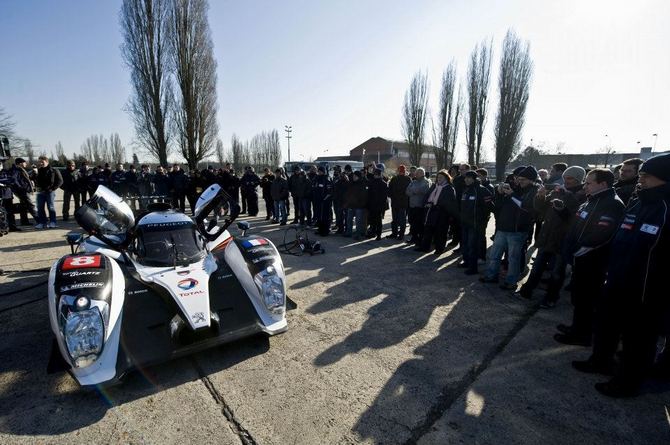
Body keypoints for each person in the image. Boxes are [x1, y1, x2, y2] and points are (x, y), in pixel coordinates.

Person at [572, 153, 670, 397]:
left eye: (647, 176)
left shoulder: (665, 209)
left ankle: (627, 383)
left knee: (638, 341)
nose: (641, 179)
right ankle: (600, 361)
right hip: (616, 280)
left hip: (646, 291)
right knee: (606, 325)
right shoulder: (638, 202)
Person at [554, 168, 625, 346]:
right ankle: (577, 327)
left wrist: (578, 249)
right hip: (580, 258)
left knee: (586, 299)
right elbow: (575, 223)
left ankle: (582, 335)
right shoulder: (591, 201)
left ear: (603, 184)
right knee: (579, 297)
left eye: (589, 183)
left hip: (592, 261)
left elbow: (602, 234)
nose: (585, 186)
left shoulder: (612, 204)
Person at [517, 166, 586, 304]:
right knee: (537, 267)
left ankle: (551, 298)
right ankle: (527, 291)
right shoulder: (558, 191)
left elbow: (574, 217)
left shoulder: (583, 195)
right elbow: (540, 207)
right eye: (565, 178)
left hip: (563, 239)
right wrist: (540, 196)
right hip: (547, 235)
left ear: (578, 179)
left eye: (570, 178)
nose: (566, 181)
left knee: (557, 272)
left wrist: (566, 196)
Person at [480, 166, 539, 290]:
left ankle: (511, 282)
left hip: (518, 231)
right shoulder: (515, 188)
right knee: (494, 255)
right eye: (518, 178)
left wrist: (511, 194)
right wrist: (500, 193)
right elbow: (499, 206)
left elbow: (526, 206)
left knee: (513, 258)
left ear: (531, 180)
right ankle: (491, 276)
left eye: (523, 179)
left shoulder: (534, 191)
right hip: (503, 228)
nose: (519, 181)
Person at [459, 171, 494, 275]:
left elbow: (489, 207)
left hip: (476, 224)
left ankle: (473, 268)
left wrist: (482, 220)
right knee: (465, 244)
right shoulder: (466, 190)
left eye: (469, 178)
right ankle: (466, 262)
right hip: (465, 223)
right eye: (466, 178)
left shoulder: (482, 190)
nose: (466, 180)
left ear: (474, 179)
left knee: (472, 246)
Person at [415, 169, 458, 254]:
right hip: (431, 212)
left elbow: (449, 202)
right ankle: (425, 247)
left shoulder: (449, 188)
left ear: (446, 178)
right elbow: (427, 196)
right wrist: (426, 203)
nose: (439, 179)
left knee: (441, 232)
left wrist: (435, 205)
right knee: (428, 230)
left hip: (442, 214)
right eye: (438, 177)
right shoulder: (434, 186)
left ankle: (439, 249)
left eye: (441, 177)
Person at [8, 158, 39, 226]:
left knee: (24, 206)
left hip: (22, 191)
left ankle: (24, 221)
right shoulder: (16, 170)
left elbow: (27, 178)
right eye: (24, 162)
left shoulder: (20, 169)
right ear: (20, 163)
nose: (26, 164)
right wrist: (22, 188)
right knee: (30, 205)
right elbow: (14, 180)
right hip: (22, 191)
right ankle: (39, 220)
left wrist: (34, 172)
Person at [35, 156, 63, 229]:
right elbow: (33, 179)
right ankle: (42, 222)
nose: (41, 163)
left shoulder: (54, 170)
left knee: (50, 207)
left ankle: (52, 222)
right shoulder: (38, 170)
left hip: (50, 192)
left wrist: (53, 189)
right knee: (40, 207)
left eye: (42, 161)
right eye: (39, 162)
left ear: (47, 162)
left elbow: (60, 181)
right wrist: (35, 173)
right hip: (40, 192)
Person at [405, 167, 431, 245]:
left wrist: (413, 190)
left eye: (418, 173)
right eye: (416, 173)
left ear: (422, 174)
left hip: (420, 207)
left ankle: (419, 240)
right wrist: (415, 191)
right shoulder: (413, 181)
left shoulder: (426, 181)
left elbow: (423, 190)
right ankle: (414, 238)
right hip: (412, 206)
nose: (415, 174)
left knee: (419, 224)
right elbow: (407, 191)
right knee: (412, 223)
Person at [387, 165, 411, 240]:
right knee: (401, 220)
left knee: (396, 219)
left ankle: (396, 234)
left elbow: (389, 190)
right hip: (402, 203)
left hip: (397, 202)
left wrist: (392, 196)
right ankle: (400, 235)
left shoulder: (394, 179)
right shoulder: (408, 179)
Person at [343, 170, 368, 240]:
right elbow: (348, 194)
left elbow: (364, 196)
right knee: (349, 220)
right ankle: (349, 232)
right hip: (351, 205)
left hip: (359, 206)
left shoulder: (362, 184)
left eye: (355, 176)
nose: (353, 177)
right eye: (353, 176)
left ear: (358, 177)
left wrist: (361, 204)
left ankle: (358, 234)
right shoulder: (351, 183)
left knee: (358, 221)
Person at [367, 168, 388, 240]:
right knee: (374, 221)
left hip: (377, 205)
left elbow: (384, 197)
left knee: (377, 221)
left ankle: (377, 234)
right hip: (374, 205)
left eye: (375, 174)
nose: (374, 175)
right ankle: (374, 233)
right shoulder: (373, 182)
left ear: (378, 175)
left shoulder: (382, 184)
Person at [312, 166, 333, 235]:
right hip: (318, 201)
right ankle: (320, 229)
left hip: (325, 201)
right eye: (318, 171)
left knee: (325, 216)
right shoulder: (317, 178)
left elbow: (329, 191)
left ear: (323, 171)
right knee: (319, 216)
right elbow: (314, 187)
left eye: (320, 171)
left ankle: (326, 230)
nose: (319, 172)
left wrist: (324, 199)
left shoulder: (327, 178)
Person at [0, 161, 19, 231]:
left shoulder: (6, 172)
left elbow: (12, 180)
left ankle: (12, 226)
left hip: (7, 195)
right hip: (2, 195)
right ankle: (3, 228)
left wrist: (3, 182)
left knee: (10, 212)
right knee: (2, 213)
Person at [332, 166, 349, 234]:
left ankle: (346, 229)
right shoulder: (338, 182)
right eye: (341, 175)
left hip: (345, 202)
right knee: (339, 216)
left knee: (346, 217)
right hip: (339, 201)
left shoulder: (348, 183)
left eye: (343, 175)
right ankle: (340, 229)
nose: (342, 176)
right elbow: (335, 190)